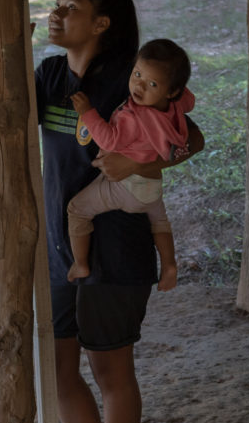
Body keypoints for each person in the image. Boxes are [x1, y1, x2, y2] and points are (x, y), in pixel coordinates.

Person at [38, 0, 203, 423]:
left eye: (70, 8)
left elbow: (191, 138)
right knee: (58, 368)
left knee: (110, 369)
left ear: (102, 24)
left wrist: (142, 165)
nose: (56, 14)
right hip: (59, 243)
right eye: (56, 6)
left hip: (117, 246)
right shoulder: (50, 76)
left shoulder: (128, 81)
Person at [65, 38, 194, 290]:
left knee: (76, 210)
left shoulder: (134, 117)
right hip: (152, 184)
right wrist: (171, 89)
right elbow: (190, 101)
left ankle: (80, 263)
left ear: (170, 90)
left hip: (126, 187)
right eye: (137, 74)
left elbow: (110, 140)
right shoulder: (174, 104)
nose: (139, 86)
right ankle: (169, 264)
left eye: (152, 83)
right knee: (159, 221)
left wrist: (88, 112)